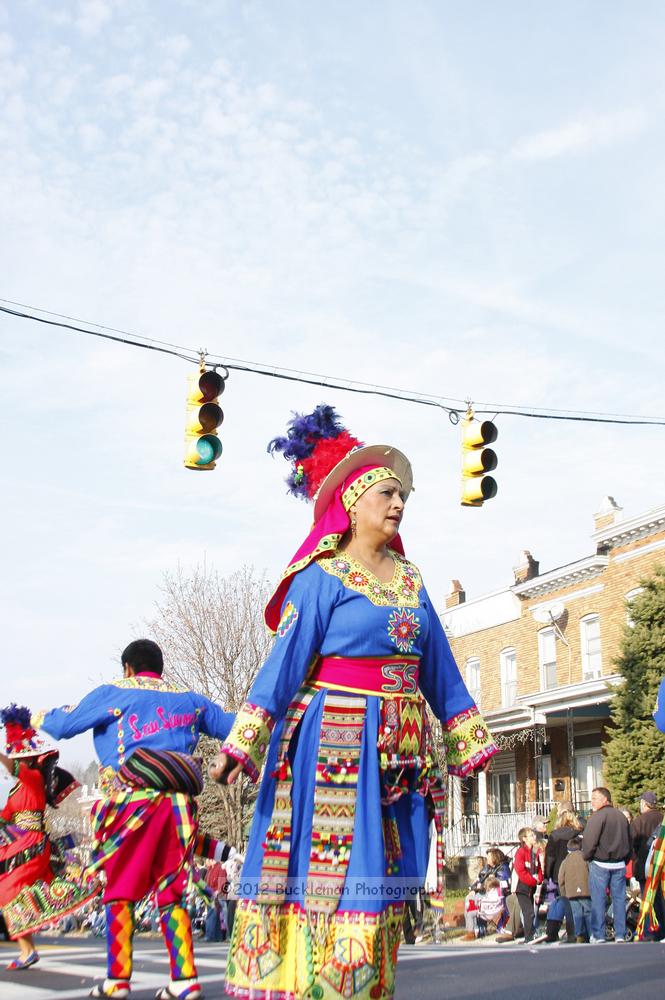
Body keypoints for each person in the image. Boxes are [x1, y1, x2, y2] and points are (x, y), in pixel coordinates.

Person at [210, 404, 498, 1000]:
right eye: (387, 493)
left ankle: (368, 986)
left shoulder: (412, 579)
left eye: (403, 497)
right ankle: (325, 985)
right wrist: (242, 744)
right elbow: (283, 665)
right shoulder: (322, 578)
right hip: (334, 742)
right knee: (340, 877)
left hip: (403, 753)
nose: (397, 504)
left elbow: (437, 664)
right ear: (352, 498)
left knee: (391, 876)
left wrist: (468, 734)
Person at [32, 638, 234, 1000]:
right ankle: (184, 980)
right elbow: (233, 726)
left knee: (120, 890)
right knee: (171, 892)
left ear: (127, 668)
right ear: (159, 669)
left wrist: (33, 718)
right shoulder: (190, 699)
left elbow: (65, 724)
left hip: (132, 808)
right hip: (179, 809)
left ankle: (117, 980)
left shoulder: (114, 692)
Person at [0, 705, 99, 970]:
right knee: (11, 895)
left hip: (31, 845)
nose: (15, 763)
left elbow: (11, 767)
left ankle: (28, 948)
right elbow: (5, 816)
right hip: (18, 845)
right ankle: (27, 950)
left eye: (17, 758)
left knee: (8, 893)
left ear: (26, 760)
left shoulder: (32, 779)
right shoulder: (15, 791)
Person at [581, 786, 631, 943]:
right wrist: (625, 859)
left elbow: (589, 842)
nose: (592, 801)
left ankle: (599, 934)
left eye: (595, 798)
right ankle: (620, 934)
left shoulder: (597, 818)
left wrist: (587, 856)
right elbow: (629, 841)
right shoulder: (622, 817)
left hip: (600, 863)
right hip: (619, 864)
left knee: (598, 900)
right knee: (619, 900)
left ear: (605, 799)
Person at [513, 827, 544, 944]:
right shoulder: (521, 852)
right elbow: (520, 871)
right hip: (522, 888)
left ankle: (532, 934)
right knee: (528, 912)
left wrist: (539, 878)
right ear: (524, 839)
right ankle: (529, 936)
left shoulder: (535, 852)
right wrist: (533, 881)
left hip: (532, 887)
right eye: (531, 835)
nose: (534, 837)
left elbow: (539, 867)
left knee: (532, 912)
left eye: (534, 835)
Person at [558, 835, 591, 942]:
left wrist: (563, 893)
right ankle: (592, 933)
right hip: (586, 891)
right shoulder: (586, 858)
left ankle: (579, 934)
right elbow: (592, 873)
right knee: (588, 912)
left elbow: (560, 878)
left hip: (571, 893)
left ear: (568, 850)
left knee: (577, 914)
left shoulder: (565, 861)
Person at [631, 792, 663, 894]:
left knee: (647, 900)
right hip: (661, 865)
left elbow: (631, 843)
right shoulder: (663, 818)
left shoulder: (639, 821)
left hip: (644, 866)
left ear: (644, 804)